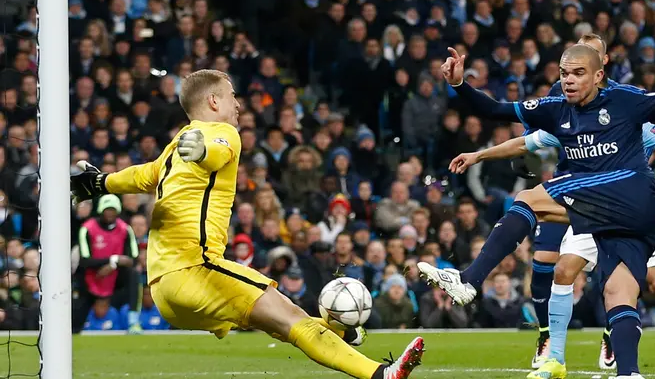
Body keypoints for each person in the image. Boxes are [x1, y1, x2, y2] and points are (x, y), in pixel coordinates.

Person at [69, 69, 424, 379]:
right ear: (212, 101)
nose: (238, 105)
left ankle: (341, 334)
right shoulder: (221, 133)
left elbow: (145, 175)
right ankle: (381, 374)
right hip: (197, 270)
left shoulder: (178, 144)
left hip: (164, 290)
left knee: (283, 323)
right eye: (232, 96)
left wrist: (101, 183)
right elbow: (218, 149)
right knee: (291, 318)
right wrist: (205, 154)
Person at [420, 24, 655, 379]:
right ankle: (629, 372)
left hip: (628, 191)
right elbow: (494, 110)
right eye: (564, 74)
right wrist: (459, 85)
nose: (568, 81)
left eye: (578, 74)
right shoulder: (555, 110)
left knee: (528, 198)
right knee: (618, 293)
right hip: (625, 217)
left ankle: (471, 279)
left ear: (599, 75)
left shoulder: (626, 100)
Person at [448, 117, 655, 378]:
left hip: (629, 217)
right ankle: (555, 358)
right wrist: (478, 155)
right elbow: (525, 142)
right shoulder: (577, 123)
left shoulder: (637, 125)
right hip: (589, 209)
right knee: (563, 271)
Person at [73, 194, 142, 334]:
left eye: (113, 210)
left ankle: (133, 320)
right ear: (101, 210)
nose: (110, 213)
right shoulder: (87, 228)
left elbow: (133, 259)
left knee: (133, 274)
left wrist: (113, 265)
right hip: (92, 277)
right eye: (107, 210)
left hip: (115, 278)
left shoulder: (125, 229)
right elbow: (85, 260)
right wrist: (114, 259)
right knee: (76, 326)